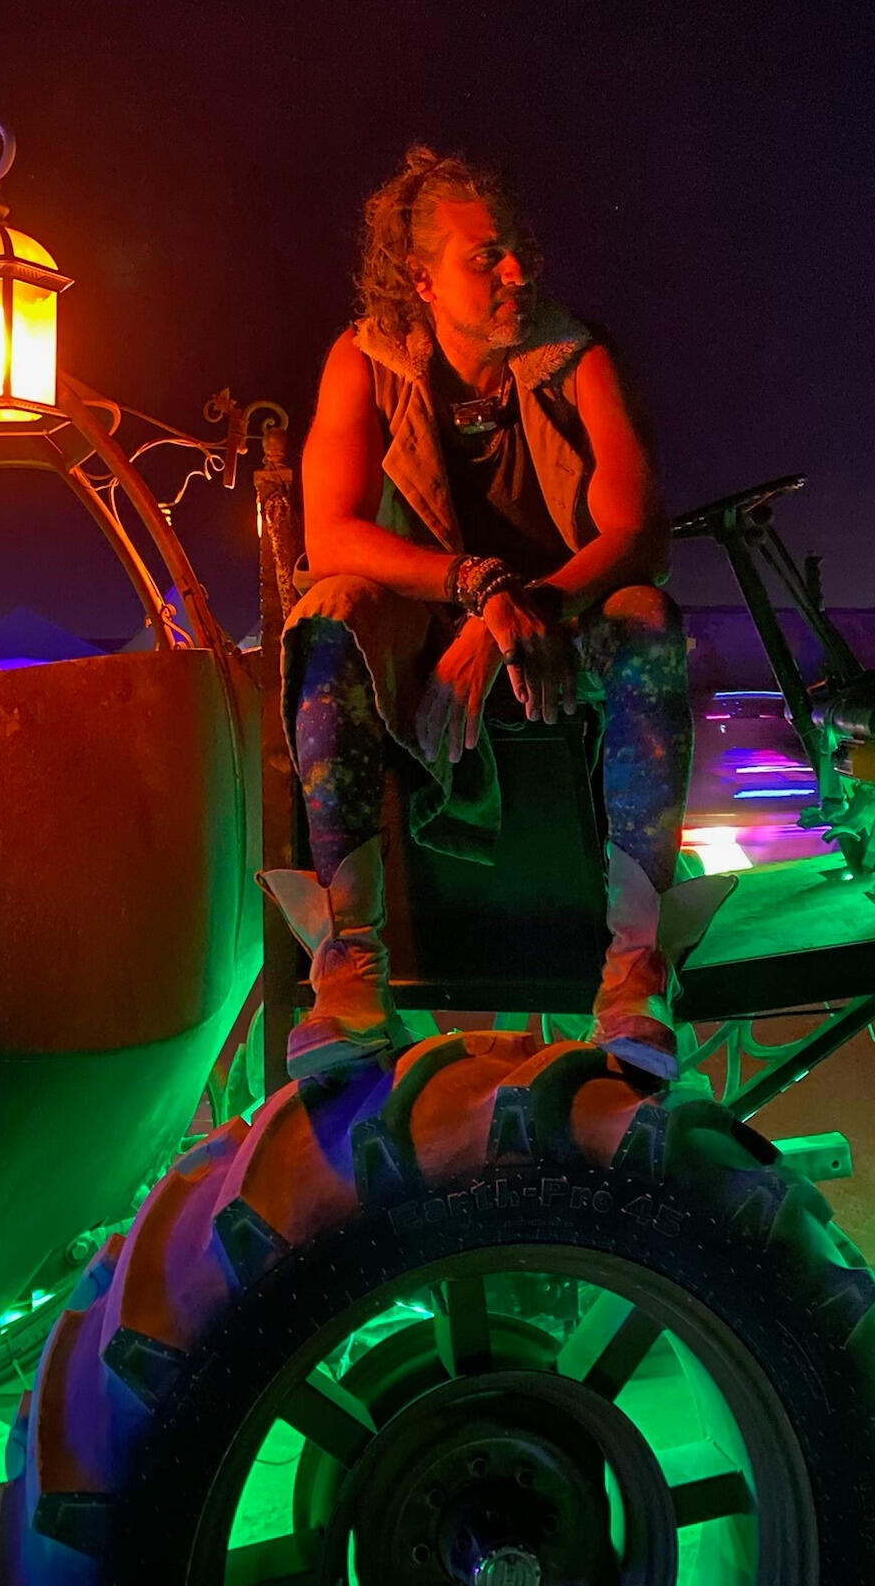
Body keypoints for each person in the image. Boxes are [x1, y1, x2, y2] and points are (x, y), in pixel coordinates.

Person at [258, 145, 731, 1087]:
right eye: (487, 257)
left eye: (515, 250)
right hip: (428, 617)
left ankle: (634, 966)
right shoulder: (364, 362)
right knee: (329, 612)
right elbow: (333, 534)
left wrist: (520, 613)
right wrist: (475, 591)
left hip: (559, 621)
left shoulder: (575, 357)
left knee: (643, 615)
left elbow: (634, 533)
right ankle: (349, 962)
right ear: (421, 277)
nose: (517, 272)